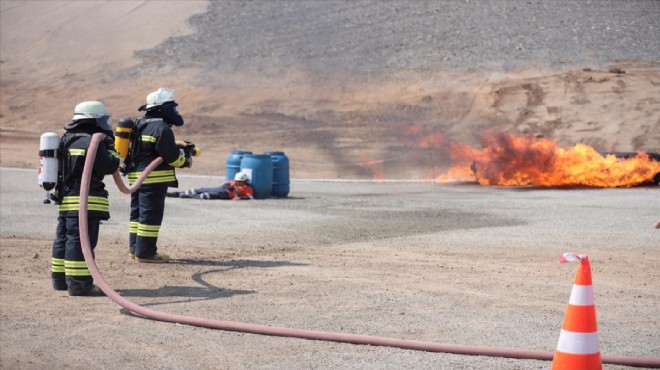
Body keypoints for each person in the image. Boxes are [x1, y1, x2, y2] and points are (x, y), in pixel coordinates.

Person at [51, 101, 120, 296]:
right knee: (81, 242)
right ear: (95, 120)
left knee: (63, 239)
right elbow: (110, 166)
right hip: (86, 201)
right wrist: (112, 148)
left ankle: (60, 280)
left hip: (65, 200)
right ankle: (79, 284)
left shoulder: (66, 139)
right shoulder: (93, 141)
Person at [123, 88, 192, 263]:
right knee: (150, 216)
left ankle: (135, 249)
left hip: (136, 179)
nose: (175, 112)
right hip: (153, 180)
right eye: (172, 107)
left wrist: (177, 144)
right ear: (162, 108)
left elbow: (149, 148)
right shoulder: (161, 128)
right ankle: (145, 253)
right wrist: (185, 161)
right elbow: (171, 156)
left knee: (137, 214)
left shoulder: (140, 124)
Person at [167, 171, 254, 200]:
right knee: (201, 190)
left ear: (244, 181)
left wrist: (239, 198)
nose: (237, 183)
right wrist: (231, 188)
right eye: (237, 181)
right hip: (222, 189)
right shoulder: (233, 183)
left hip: (226, 195)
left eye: (239, 182)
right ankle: (174, 194)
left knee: (208, 195)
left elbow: (250, 197)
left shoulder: (247, 188)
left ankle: (189, 196)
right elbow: (225, 185)